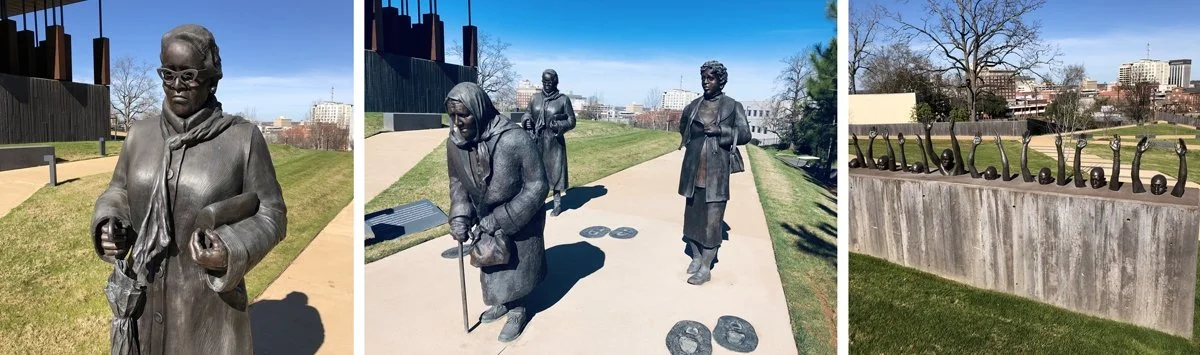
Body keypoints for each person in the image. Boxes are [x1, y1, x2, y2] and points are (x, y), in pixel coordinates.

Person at [91, 24, 287, 354]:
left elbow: (272, 214)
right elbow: (119, 191)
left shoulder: (242, 138)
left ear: (212, 78)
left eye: (189, 75)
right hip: (142, 304)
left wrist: (232, 247)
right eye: (168, 74)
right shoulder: (140, 135)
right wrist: (110, 221)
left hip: (207, 313)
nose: (177, 85)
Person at [446, 82, 550, 342]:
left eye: (464, 115)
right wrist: (459, 217)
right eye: (453, 116)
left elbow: (538, 185)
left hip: (520, 216)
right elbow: (457, 184)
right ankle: (503, 301)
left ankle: (518, 308)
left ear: (480, 110)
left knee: (517, 265)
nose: (458, 123)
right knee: (492, 263)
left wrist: (504, 217)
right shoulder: (455, 143)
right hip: (485, 217)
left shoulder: (515, 139)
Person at [677, 60, 750, 285]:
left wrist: (721, 131)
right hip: (693, 169)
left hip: (716, 172)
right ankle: (696, 257)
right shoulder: (693, 105)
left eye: (711, 78)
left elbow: (746, 134)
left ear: (720, 80)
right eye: (704, 78)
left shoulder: (732, 105)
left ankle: (706, 267)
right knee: (692, 218)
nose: (706, 82)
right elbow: (683, 128)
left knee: (712, 222)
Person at [520, 69, 577, 216]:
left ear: (555, 82)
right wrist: (526, 121)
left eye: (549, 82)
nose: (546, 85)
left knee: (555, 171)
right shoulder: (535, 98)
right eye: (544, 82)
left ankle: (557, 203)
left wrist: (560, 125)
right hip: (537, 139)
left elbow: (571, 120)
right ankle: (539, 202)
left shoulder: (563, 99)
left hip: (554, 141)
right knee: (537, 173)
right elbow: (527, 113)